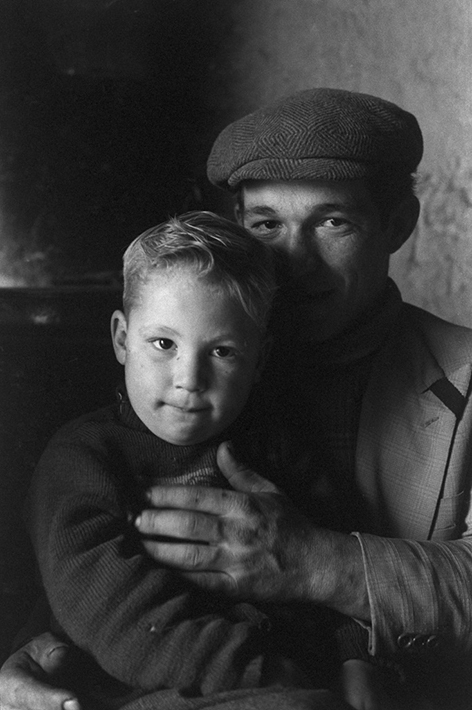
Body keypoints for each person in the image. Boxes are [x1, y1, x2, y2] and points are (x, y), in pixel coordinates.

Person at [2, 87, 472, 709]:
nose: (294, 261)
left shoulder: (464, 377)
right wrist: (28, 655)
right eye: (267, 224)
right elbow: (87, 558)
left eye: (333, 221)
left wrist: (319, 563)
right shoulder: (172, 375)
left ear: (398, 224)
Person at [17, 210, 391, 710]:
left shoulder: (274, 448)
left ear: (259, 360)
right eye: (164, 344)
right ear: (122, 339)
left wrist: (356, 658)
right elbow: (119, 617)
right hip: (150, 690)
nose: (189, 379)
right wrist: (274, 678)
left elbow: (335, 553)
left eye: (222, 352)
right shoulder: (82, 460)